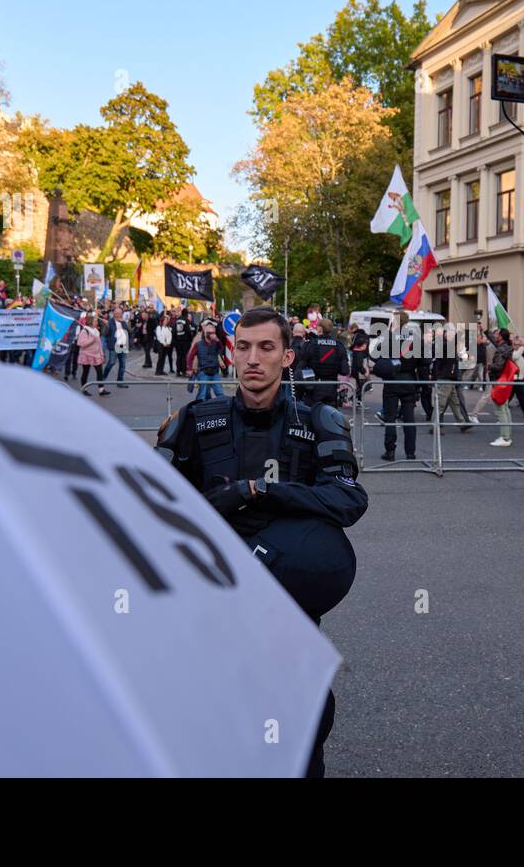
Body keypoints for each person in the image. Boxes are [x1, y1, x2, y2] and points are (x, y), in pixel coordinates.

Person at [155, 307, 367, 778]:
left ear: (287, 356)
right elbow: (153, 509)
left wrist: (256, 490)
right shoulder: (193, 419)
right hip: (214, 601)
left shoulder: (318, 421)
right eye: (244, 347)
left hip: (287, 602)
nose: (253, 358)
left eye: (266, 347)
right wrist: (216, 505)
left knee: (305, 721)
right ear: (231, 354)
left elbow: (348, 500)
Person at [376, 315, 426, 461]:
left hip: (392, 381)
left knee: (390, 418)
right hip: (409, 381)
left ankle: (390, 451)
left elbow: (375, 357)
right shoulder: (415, 339)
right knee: (409, 419)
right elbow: (425, 361)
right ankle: (410, 453)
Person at [299, 318, 350, 406]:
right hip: (332, 389)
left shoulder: (311, 344)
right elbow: (345, 371)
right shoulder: (339, 346)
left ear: (320, 329)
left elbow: (301, 368)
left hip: (313, 388)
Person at [187, 323, 224, 401]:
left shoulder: (216, 343)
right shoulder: (198, 344)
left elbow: (221, 349)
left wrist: (218, 340)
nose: (213, 335)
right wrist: (189, 368)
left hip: (215, 371)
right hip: (203, 371)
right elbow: (190, 357)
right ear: (206, 334)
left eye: (214, 333)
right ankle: (199, 410)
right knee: (202, 394)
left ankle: (223, 410)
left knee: (220, 393)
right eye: (211, 333)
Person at [75, 314, 107, 396]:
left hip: (96, 355)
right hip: (87, 355)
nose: (97, 322)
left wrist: (101, 354)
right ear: (91, 322)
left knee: (100, 372)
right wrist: (92, 340)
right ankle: (84, 389)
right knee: (85, 372)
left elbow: (99, 344)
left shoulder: (96, 331)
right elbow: (81, 344)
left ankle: (101, 390)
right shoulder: (84, 331)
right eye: (95, 321)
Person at [101, 308, 131, 389]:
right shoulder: (109, 322)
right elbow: (104, 334)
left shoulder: (124, 322)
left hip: (123, 345)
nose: (118, 315)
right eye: (116, 313)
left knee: (122, 364)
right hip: (114, 346)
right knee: (111, 363)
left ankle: (120, 382)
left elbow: (129, 332)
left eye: (119, 313)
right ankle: (102, 380)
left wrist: (124, 323)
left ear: (121, 314)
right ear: (114, 314)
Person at [172, 308, 193, 376]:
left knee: (179, 356)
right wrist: (191, 339)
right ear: (186, 314)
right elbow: (188, 331)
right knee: (184, 356)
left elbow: (174, 331)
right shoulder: (186, 320)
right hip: (185, 341)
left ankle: (178, 371)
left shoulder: (177, 320)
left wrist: (175, 340)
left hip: (178, 341)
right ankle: (184, 371)